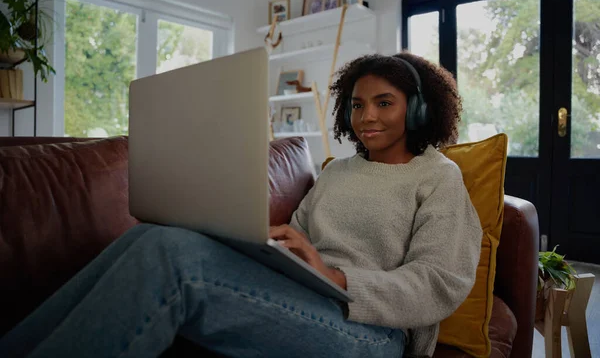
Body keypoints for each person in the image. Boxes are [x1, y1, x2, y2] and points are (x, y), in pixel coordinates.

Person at [0, 53, 482, 358]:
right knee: (154, 236)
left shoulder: (437, 177)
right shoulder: (338, 170)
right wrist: (267, 243)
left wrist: (339, 279)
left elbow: (441, 282)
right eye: (357, 105)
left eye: (384, 103)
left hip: (372, 334)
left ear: (417, 110)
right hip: (306, 299)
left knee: (177, 262)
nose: (367, 117)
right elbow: (297, 236)